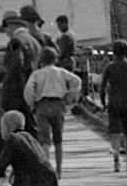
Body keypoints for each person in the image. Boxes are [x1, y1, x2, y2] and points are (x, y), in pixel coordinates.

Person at [24, 47, 85, 176]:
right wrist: (68, 97)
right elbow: (77, 81)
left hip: (42, 105)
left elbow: (28, 90)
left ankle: (47, 169)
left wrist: (32, 103)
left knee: (44, 140)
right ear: (55, 59)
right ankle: (59, 169)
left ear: (41, 60)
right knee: (58, 140)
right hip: (58, 105)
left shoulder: (36, 74)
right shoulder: (61, 72)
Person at [100, 39, 127, 170]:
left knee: (115, 134)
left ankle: (116, 162)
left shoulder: (109, 67)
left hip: (114, 102)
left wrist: (103, 102)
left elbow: (102, 87)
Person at [0, 10, 37, 118]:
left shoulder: (15, 41)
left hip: (16, 90)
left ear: (11, 26)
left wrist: (6, 82)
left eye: (5, 30)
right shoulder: (33, 41)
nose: (6, 34)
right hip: (31, 88)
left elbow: (18, 60)